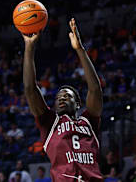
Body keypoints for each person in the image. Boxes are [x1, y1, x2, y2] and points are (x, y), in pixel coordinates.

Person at [22, 18, 103, 181]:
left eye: (67, 96)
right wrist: (29, 47)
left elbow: (95, 89)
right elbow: (30, 89)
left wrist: (80, 49)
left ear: (78, 103)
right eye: (59, 96)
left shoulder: (89, 121)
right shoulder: (49, 123)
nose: (62, 98)